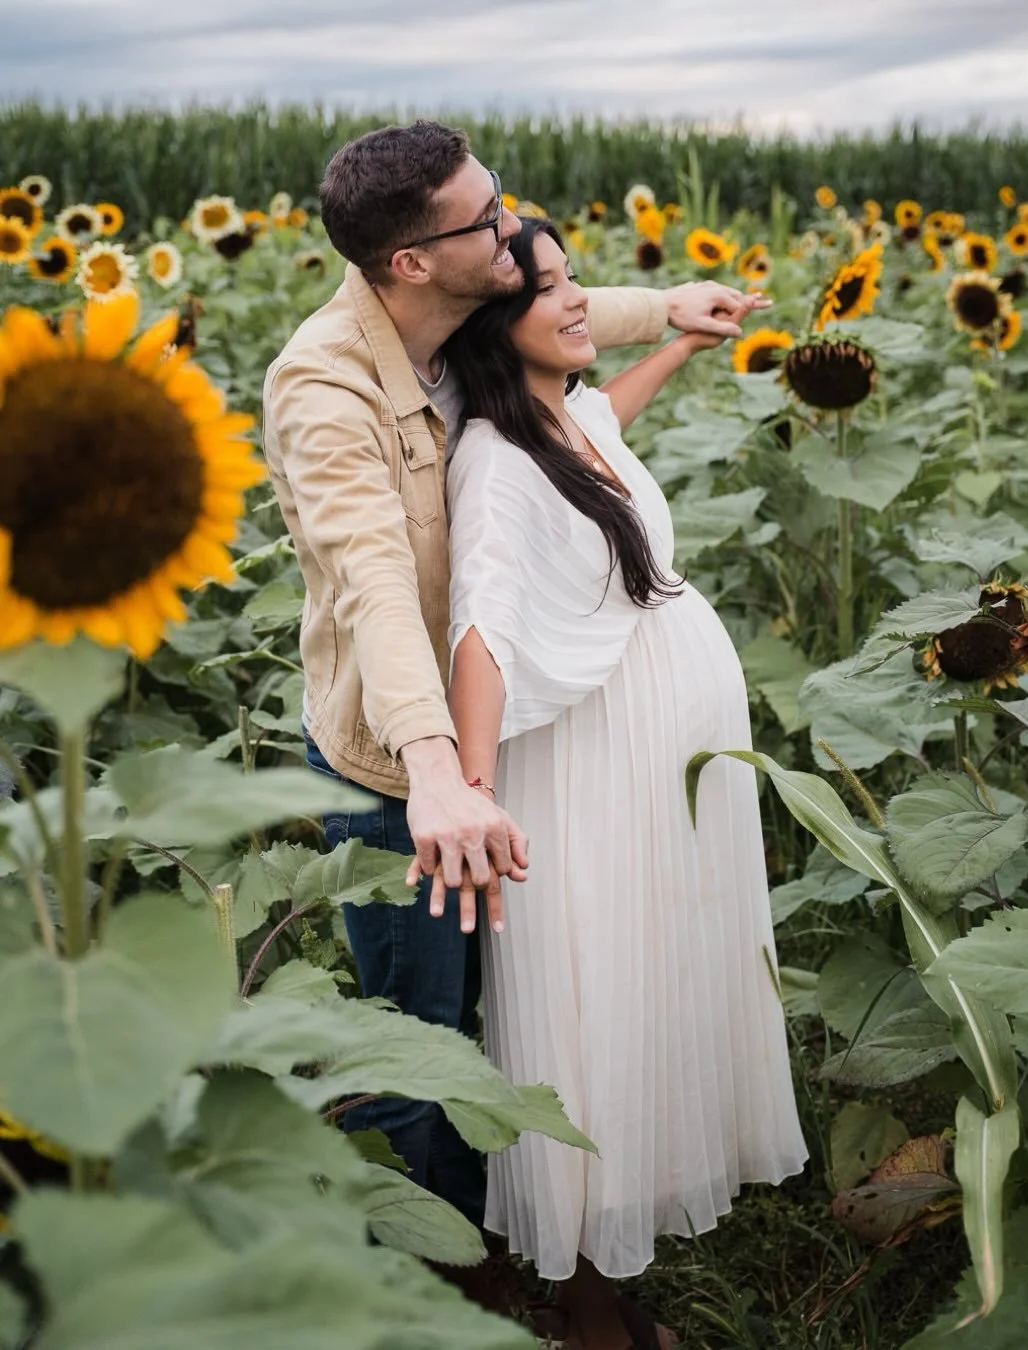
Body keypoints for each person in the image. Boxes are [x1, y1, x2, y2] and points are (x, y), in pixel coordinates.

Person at [261, 119, 769, 1257]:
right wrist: (440, 774)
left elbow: (545, 315)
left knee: (512, 1011)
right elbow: (374, 584)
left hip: (494, 753)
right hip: (402, 765)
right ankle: (440, 1283)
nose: (507, 225)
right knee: (417, 1037)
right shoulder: (324, 389)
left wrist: (671, 312)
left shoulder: (459, 316)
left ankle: (503, 1232)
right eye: (484, 218)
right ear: (411, 261)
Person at [442, 217, 808, 1350]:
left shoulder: (561, 417)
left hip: (653, 765)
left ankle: (615, 1250)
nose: (576, 303)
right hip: (588, 773)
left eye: (572, 284)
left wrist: (675, 347)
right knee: (591, 1003)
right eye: (546, 292)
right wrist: (470, 789)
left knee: (652, 975)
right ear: (490, 328)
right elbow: (482, 631)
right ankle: (587, 1300)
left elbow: (603, 431)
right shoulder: (495, 464)